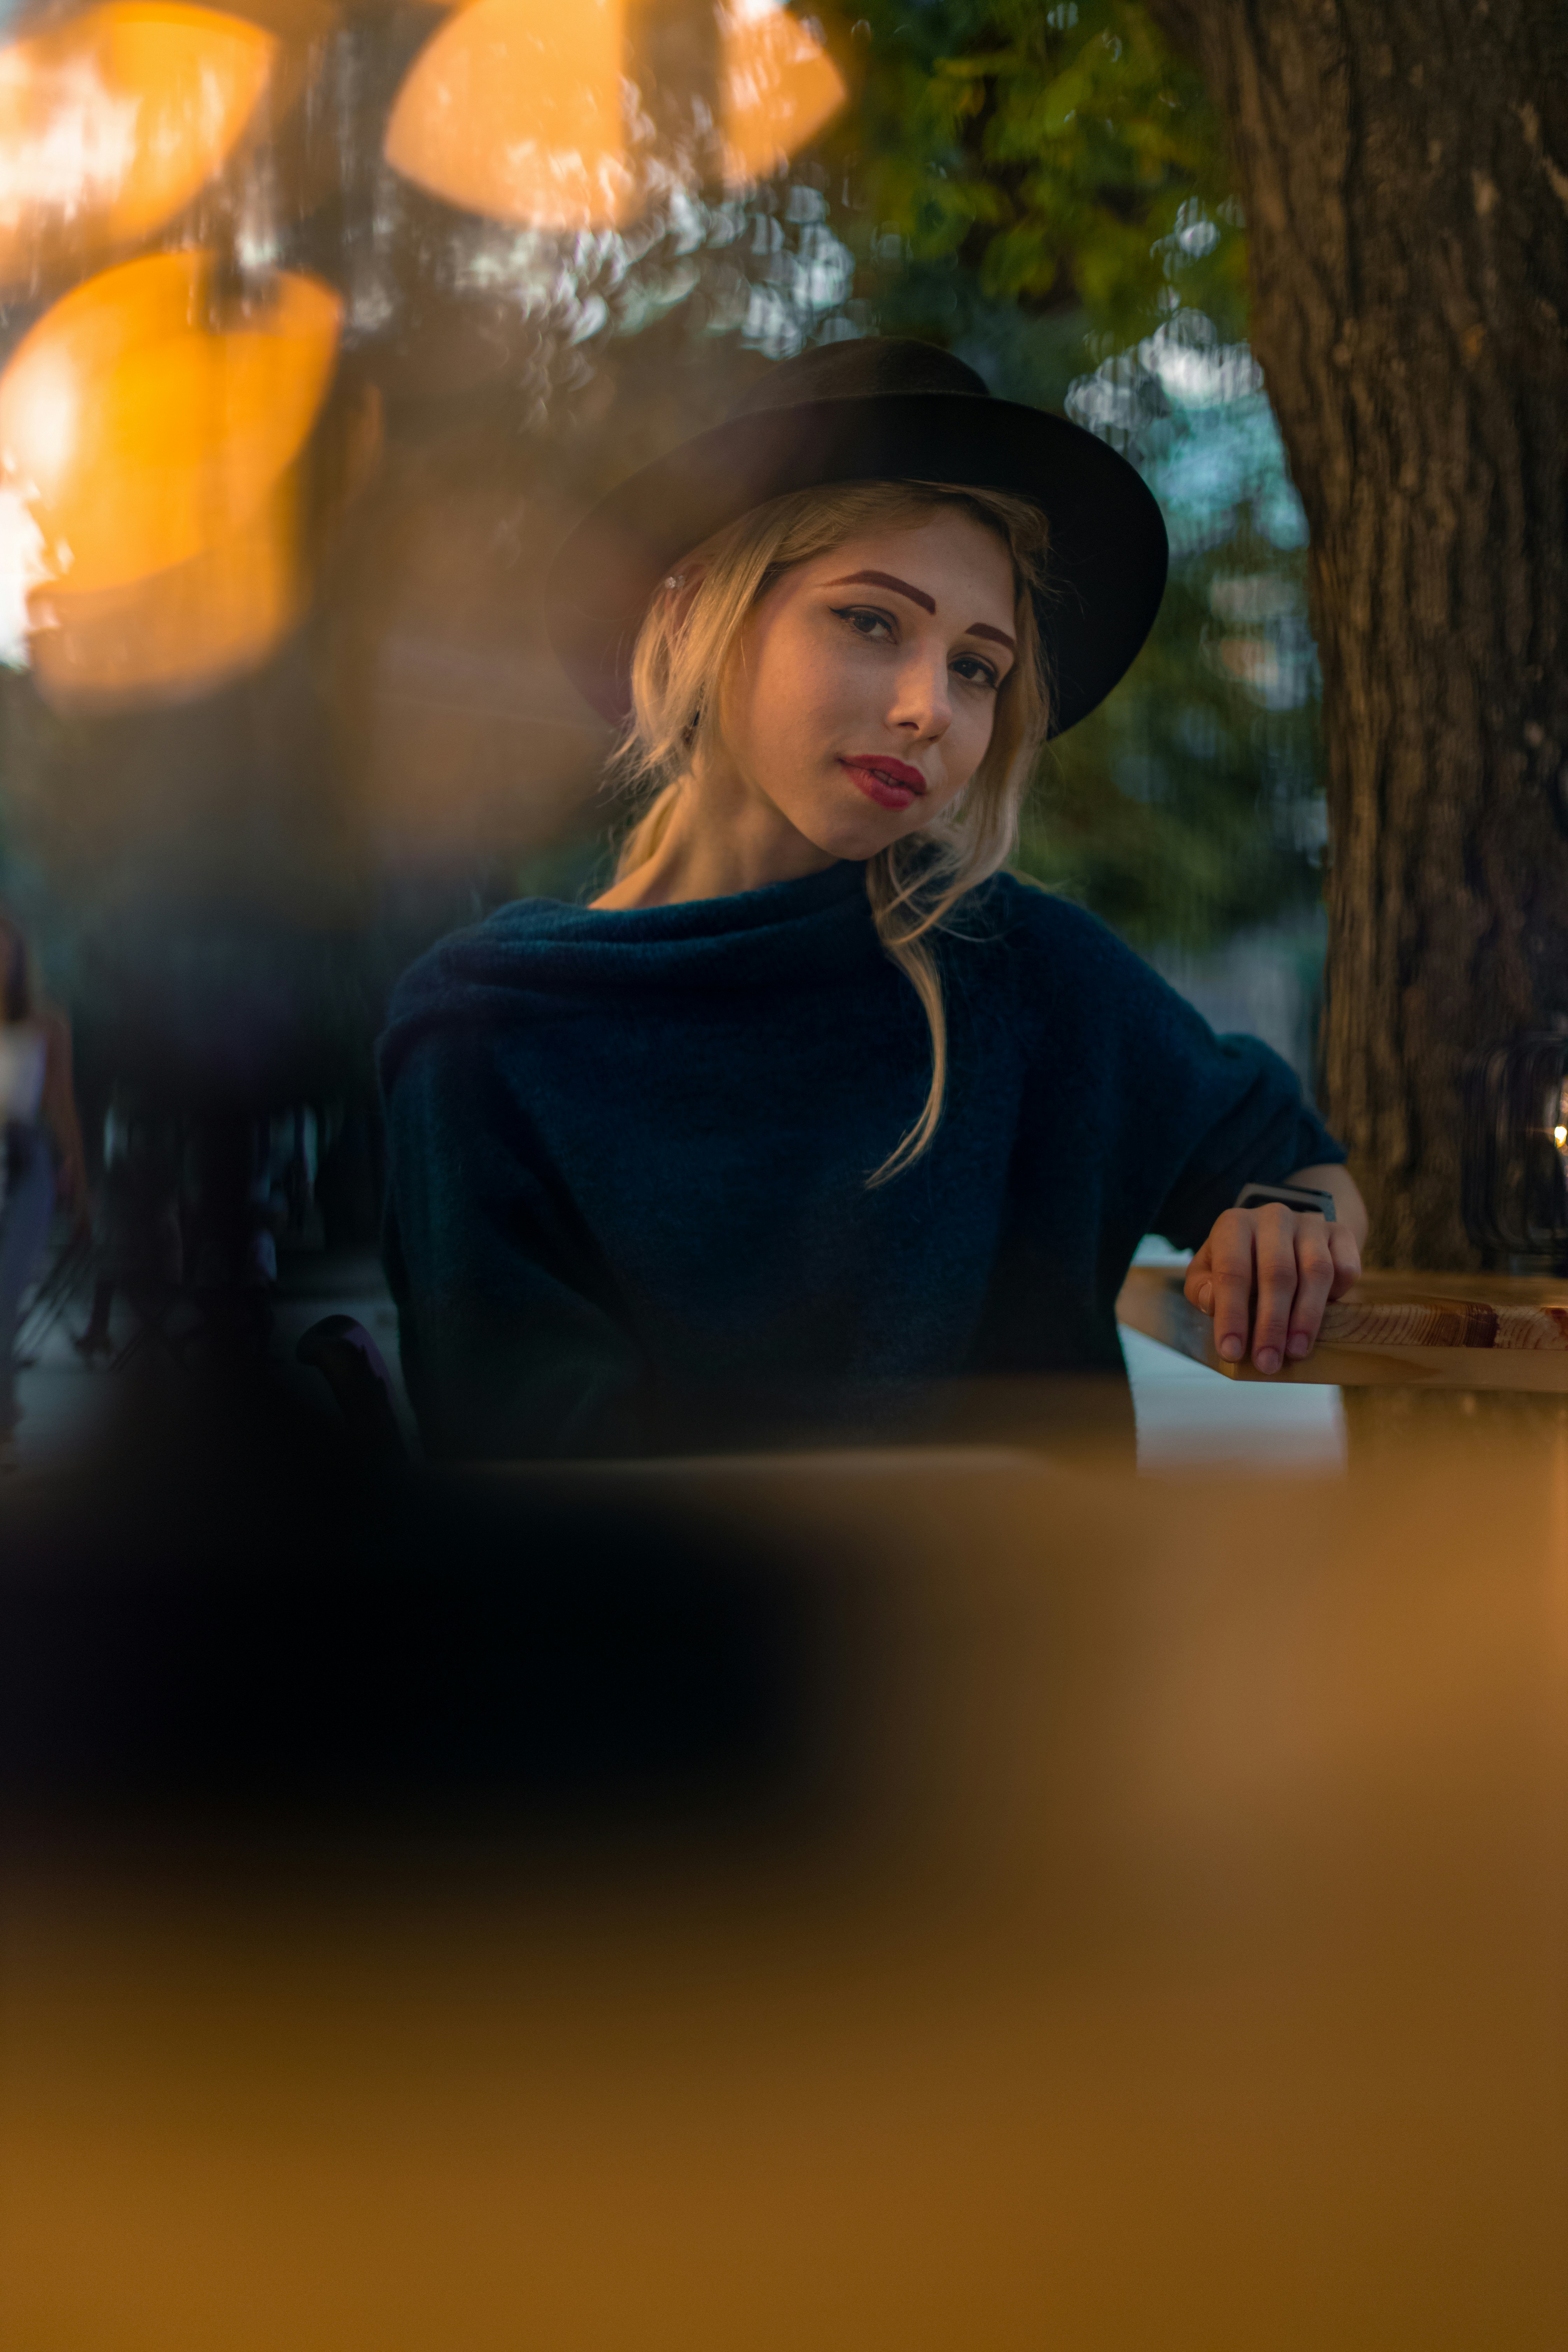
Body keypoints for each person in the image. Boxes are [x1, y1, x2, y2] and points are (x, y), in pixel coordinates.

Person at [379, 338, 1366, 1460]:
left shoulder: (1021, 970)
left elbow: (1293, 1165)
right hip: (662, 1635)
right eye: (871, 620)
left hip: (1033, 1634)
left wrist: (1289, 1233)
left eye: (976, 667)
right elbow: (529, 1482)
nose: (929, 709)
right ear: (704, 613)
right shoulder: (488, 1029)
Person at [0, 910, 89, 1448]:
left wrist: (80, 1171)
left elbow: (61, 1101)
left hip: (26, 1157)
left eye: (5, 950)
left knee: (9, 1283)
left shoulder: (47, 1021)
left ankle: (2, 1398)